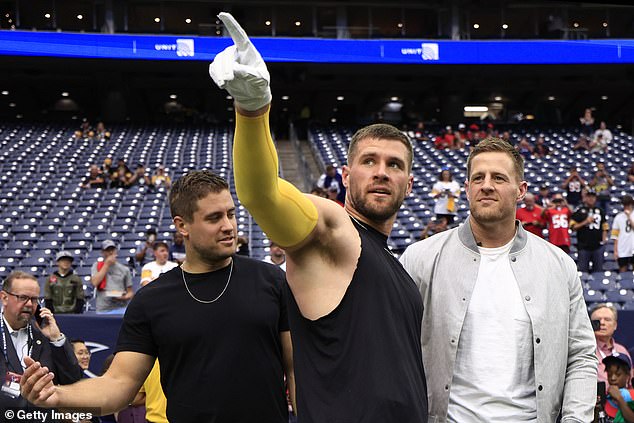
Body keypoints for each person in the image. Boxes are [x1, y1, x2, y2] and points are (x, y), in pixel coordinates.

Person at [208, 13, 427, 423]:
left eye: (394, 165)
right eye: (369, 161)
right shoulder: (334, 232)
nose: (381, 171)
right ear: (345, 176)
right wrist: (253, 111)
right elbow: (263, 195)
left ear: (409, 185)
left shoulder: (396, 268)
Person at [21, 170, 294, 423]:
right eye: (214, 218)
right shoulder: (151, 300)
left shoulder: (272, 281)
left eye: (231, 214)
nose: (229, 226)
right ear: (182, 225)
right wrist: (58, 396)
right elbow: (118, 385)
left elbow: (297, 372)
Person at [400, 137, 597, 422]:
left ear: (521, 190)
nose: (487, 185)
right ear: (467, 189)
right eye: (478, 177)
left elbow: (581, 355)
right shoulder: (419, 259)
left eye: (499, 178)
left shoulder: (559, 266)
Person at [0, 271, 82, 410]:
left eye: (34, 299)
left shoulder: (44, 337)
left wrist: (56, 339)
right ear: (4, 297)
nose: (29, 304)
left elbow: (73, 380)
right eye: (23, 297)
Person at [590, 304, 633, 388]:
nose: (602, 323)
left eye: (607, 319)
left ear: (615, 325)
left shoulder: (622, 350)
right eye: (598, 320)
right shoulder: (584, 349)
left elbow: (630, 382)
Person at [90, 240, 133, 314]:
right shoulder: (97, 266)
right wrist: (106, 265)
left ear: (116, 251)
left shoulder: (124, 269)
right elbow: (95, 282)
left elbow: (130, 292)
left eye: (112, 250)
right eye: (107, 250)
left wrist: (124, 297)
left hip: (121, 308)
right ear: (102, 252)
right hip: (103, 309)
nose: (110, 252)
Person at [570, 190, 608, 273]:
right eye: (589, 197)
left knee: (598, 272)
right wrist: (585, 222)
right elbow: (572, 227)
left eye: (593, 197)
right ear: (586, 198)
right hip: (583, 246)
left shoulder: (600, 211)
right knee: (582, 272)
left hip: (598, 246)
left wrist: (604, 239)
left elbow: (605, 226)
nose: (591, 199)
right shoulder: (579, 211)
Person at [602, 354, 634, 422]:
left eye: (618, 374)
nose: (613, 378)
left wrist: (619, 398)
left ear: (627, 376)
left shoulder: (632, 396)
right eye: (609, 374)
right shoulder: (605, 398)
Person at [611, 195, 634, 273]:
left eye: (628, 204)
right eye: (625, 205)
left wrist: (629, 217)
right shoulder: (618, 217)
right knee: (623, 271)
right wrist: (615, 250)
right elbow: (615, 236)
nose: (626, 207)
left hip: (633, 247)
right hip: (623, 249)